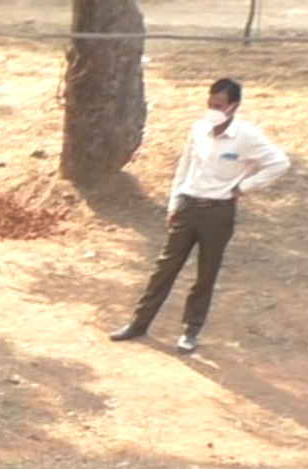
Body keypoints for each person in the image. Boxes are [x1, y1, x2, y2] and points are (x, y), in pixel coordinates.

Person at [110, 78, 290, 355]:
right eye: (210, 104)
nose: (213, 110)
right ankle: (138, 323)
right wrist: (174, 204)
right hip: (188, 206)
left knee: (206, 273)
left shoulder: (247, 137)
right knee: (164, 268)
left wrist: (243, 187)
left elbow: (279, 163)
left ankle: (190, 331)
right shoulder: (199, 129)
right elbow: (184, 168)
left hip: (218, 212)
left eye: (219, 105)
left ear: (234, 107)